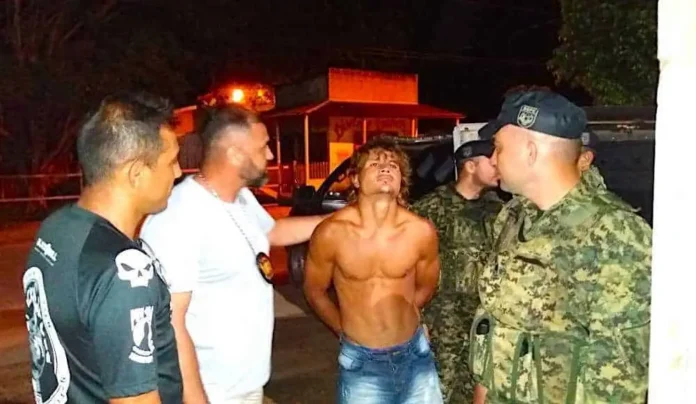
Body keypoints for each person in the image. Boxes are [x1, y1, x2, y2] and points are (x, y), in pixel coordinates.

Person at [470, 90, 652, 403]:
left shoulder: (614, 234)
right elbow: (495, 324)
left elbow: (618, 381)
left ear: (530, 151)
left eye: (498, 148)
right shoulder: (513, 218)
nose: (493, 159)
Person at [140, 105, 327, 404]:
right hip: (212, 392)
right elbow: (170, 321)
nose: (270, 155)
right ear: (236, 154)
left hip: (247, 386)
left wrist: (337, 221)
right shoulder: (179, 215)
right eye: (263, 147)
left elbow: (272, 232)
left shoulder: (241, 198)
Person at [23, 92, 184, 403]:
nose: (178, 173)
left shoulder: (56, 228)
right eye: (171, 162)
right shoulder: (124, 273)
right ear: (136, 173)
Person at [303, 136, 443, 404]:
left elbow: (427, 284)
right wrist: (343, 331)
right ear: (355, 179)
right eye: (375, 164)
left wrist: (404, 314)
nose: (386, 167)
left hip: (415, 355)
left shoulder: (420, 231)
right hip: (362, 362)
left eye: (393, 165)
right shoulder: (332, 233)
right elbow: (314, 290)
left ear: (401, 180)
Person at [410, 122, 503, 403]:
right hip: (444, 317)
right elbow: (409, 266)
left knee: (482, 387)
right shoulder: (431, 207)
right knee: (444, 387)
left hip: (486, 316)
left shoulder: (498, 209)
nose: (499, 168)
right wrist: (418, 318)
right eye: (491, 163)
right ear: (470, 166)